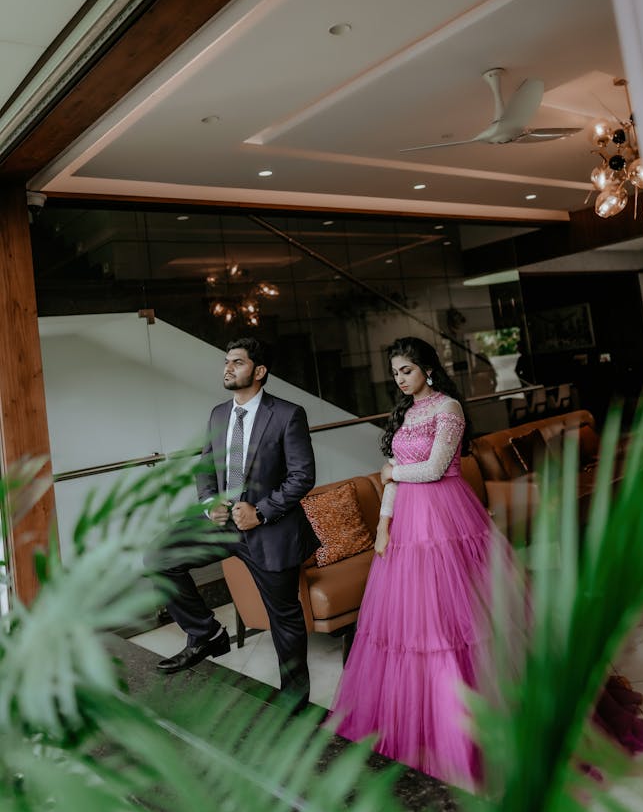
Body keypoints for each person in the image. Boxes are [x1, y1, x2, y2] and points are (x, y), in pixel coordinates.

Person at [328, 336, 507, 788]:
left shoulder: (449, 409)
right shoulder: (405, 413)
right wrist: (384, 524)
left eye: (406, 370)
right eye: (394, 373)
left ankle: (467, 725)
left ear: (427, 367)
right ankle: (422, 718)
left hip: (446, 517)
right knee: (410, 626)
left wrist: (390, 472)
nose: (400, 379)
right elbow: (393, 479)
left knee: (454, 620)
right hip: (407, 525)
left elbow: (433, 468)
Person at [148, 337, 319, 709]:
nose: (227, 368)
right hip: (222, 524)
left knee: (285, 621)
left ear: (259, 371)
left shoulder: (288, 414)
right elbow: (206, 468)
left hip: (270, 530)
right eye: (226, 362)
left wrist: (261, 511)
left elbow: (302, 475)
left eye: (237, 362)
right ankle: (206, 634)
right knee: (160, 557)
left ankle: (295, 704)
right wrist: (211, 504)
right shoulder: (218, 414)